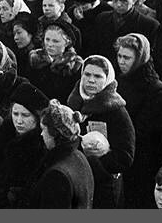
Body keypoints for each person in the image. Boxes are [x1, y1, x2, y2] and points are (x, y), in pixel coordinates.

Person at [66, 55, 135, 208]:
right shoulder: (74, 102)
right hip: (77, 180)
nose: (91, 80)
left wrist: (95, 165)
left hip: (104, 185)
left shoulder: (116, 111)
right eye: (87, 74)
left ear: (107, 79)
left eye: (97, 76)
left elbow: (126, 157)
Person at [113, 33, 162, 208]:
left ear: (140, 58)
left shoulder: (155, 89)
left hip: (139, 157)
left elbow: (145, 128)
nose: (121, 61)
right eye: (119, 56)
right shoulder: (117, 80)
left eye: (127, 58)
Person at [0, 81, 49, 208]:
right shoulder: (2, 137)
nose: (19, 121)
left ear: (37, 117)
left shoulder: (43, 145)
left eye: (25, 115)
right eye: (15, 114)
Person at [24, 100, 93, 209]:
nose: (42, 134)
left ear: (55, 134)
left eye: (44, 130)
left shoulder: (57, 175)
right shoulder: (79, 157)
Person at [26, 20, 83, 102]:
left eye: (55, 41)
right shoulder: (34, 59)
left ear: (67, 43)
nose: (50, 44)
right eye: (47, 39)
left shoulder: (74, 65)